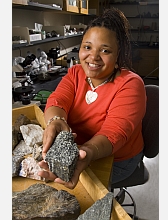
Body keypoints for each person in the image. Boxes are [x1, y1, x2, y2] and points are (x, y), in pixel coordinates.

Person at [38, 7, 147, 190]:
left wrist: (86, 152)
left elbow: (114, 133)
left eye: (105, 51)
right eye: (87, 47)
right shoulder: (75, 73)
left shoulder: (130, 84)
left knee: (74, 189)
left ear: (118, 54)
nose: (93, 57)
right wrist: (55, 120)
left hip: (117, 158)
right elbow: (57, 100)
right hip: (79, 148)